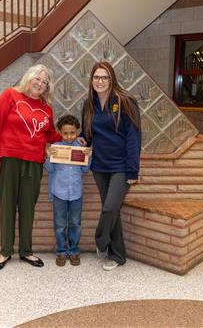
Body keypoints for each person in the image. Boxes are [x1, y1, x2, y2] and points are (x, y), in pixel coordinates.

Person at [0, 64, 61, 271]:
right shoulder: (10, 95)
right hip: (8, 160)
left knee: (28, 208)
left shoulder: (46, 108)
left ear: (47, 87)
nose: (40, 83)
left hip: (34, 163)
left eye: (45, 82)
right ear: (28, 78)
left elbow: (51, 134)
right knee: (8, 207)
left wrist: (72, 139)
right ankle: (5, 252)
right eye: (37, 78)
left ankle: (26, 251)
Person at [81, 61, 141, 271]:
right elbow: (87, 134)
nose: (100, 81)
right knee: (113, 211)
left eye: (104, 77)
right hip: (99, 166)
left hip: (121, 167)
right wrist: (82, 140)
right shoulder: (89, 104)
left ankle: (100, 240)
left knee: (109, 208)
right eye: (96, 77)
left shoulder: (125, 101)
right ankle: (117, 255)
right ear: (91, 80)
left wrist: (133, 170)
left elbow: (134, 137)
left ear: (112, 79)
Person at [44, 115, 92, 267]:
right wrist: (48, 156)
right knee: (59, 224)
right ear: (60, 132)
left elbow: (85, 170)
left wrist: (89, 157)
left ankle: (74, 250)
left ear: (77, 132)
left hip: (76, 193)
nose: (69, 136)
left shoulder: (80, 148)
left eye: (72, 132)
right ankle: (61, 252)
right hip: (59, 192)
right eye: (65, 133)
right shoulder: (56, 148)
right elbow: (50, 169)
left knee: (75, 223)